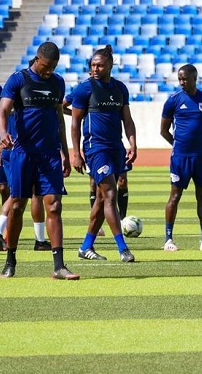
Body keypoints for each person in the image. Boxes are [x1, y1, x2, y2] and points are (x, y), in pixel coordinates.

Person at [0, 42, 78, 279]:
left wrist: (64, 150)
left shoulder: (57, 82)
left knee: (54, 205)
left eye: (53, 66)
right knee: (17, 206)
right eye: (46, 66)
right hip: (23, 153)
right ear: (37, 60)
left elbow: (58, 117)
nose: (49, 71)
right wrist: (3, 134)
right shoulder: (18, 80)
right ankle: (10, 260)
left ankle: (59, 266)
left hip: (49, 155)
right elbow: (3, 112)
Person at [70, 45, 137, 262]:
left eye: (99, 65)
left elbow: (127, 120)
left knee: (100, 199)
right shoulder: (85, 89)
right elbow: (75, 122)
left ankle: (85, 246)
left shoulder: (120, 88)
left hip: (115, 148)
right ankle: (123, 248)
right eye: (92, 65)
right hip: (95, 149)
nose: (95, 69)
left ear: (110, 65)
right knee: (110, 195)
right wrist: (76, 152)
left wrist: (133, 144)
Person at [160, 64, 202, 252]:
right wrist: (179, 145)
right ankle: (168, 239)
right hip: (180, 157)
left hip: (201, 155)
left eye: (185, 79)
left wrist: (197, 141)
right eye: (179, 79)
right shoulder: (173, 101)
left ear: (195, 78)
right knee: (175, 196)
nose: (181, 82)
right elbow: (163, 131)